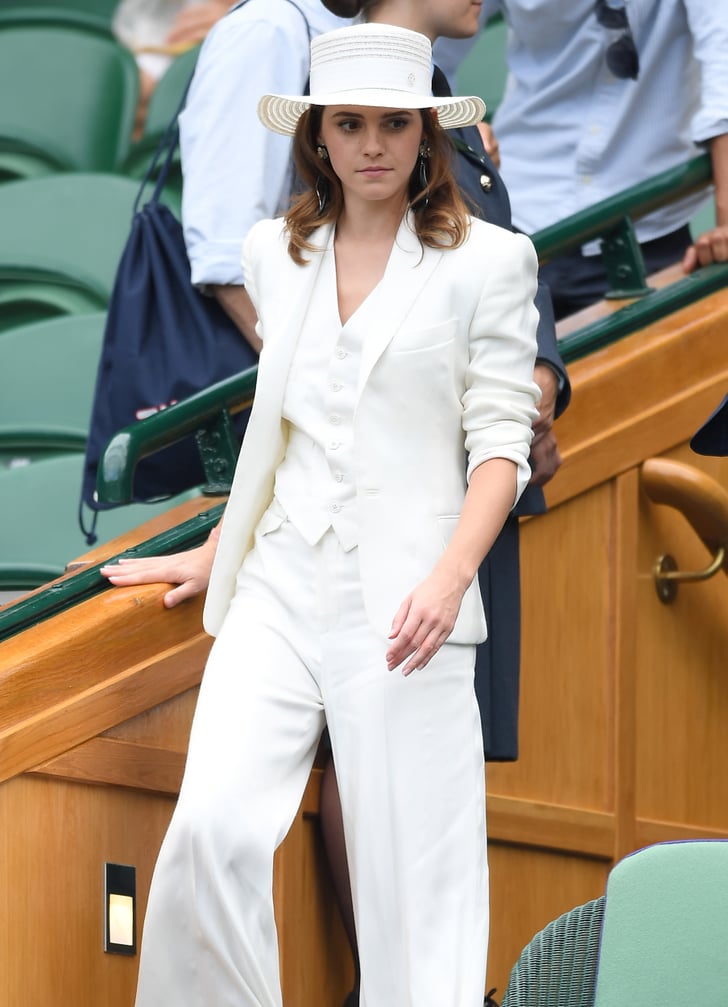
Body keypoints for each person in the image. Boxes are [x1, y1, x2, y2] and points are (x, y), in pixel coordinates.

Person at [102, 22, 541, 1005]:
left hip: (407, 608)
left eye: (393, 124)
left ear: (426, 136)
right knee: (211, 829)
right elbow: (283, 424)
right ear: (318, 137)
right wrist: (224, 545)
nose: (372, 144)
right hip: (279, 585)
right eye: (349, 124)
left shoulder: (490, 263)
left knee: (415, 895)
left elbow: (500, 448)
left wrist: (446, 578)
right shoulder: (274, 252)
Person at [433, 0, 728, 319]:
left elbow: (722, 59)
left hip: (651, 223)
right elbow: (424, 44)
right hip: (520, 211)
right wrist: (456, 128)